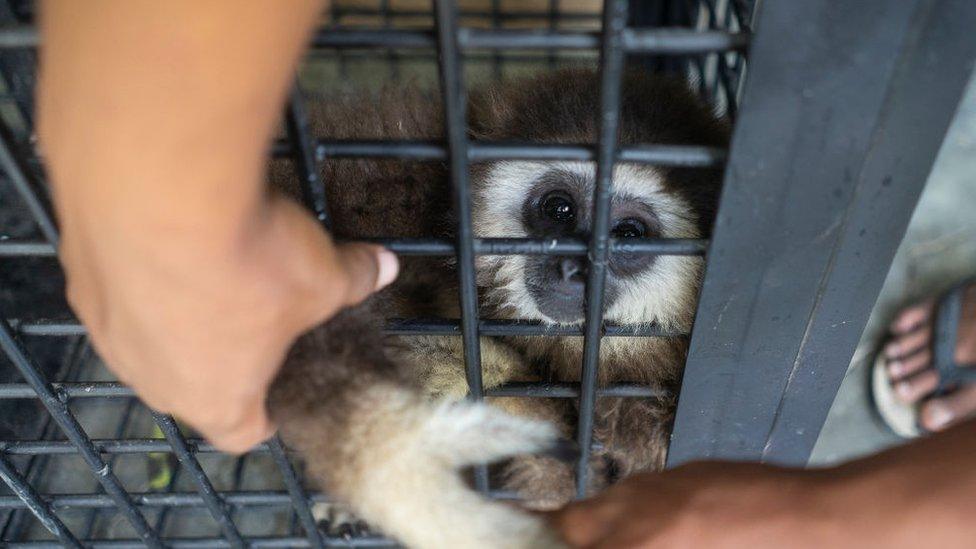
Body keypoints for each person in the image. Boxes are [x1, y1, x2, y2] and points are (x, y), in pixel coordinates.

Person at [39, 1, 975, 547]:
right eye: (557, 208)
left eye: (634, 233)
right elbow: (258, 237)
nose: (575, 254)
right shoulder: (431, 172)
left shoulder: (688, 372)